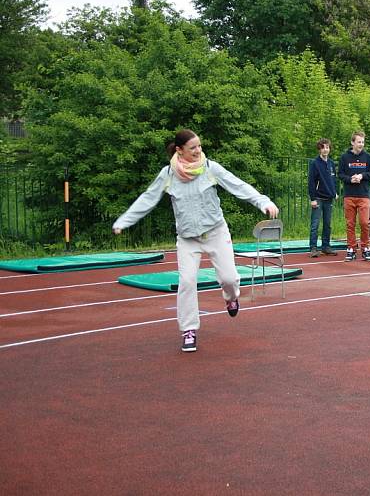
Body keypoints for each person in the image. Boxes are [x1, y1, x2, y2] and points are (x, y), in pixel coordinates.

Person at [112, 129, 279, 353]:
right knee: (187, 282)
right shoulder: (168, 174)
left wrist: (263, 202)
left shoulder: (210, 168)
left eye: (200, 146)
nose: (198, 150)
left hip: (216, 232)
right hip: (188, 239)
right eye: (193, 148)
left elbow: (238, 185)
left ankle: (231, 298)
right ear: (179, 150)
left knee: (229, 279)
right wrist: (124, 221)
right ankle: (188, 330)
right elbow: (148, 198)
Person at [338, 131, 370, 262]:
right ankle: (351, 248)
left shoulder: (367, 157)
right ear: (352, 142)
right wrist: (350, 179)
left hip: (364, 194)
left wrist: (361, 176)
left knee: (365, 222)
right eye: (359, 142)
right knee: (350, 223)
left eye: (363, 142)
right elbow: (340, 174)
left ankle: (366, 247)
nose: (361, 144)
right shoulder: (344, 157)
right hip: (349, 195)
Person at [308, 138, 338, 258]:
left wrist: (334, 192)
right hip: (318, 198)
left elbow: (333, 180)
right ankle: (313, 248)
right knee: (315, 224)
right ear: (319, 149)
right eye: (323, 147)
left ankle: (326, 246)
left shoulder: (331, 163)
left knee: (327, 224)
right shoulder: (315, 163)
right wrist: (313, 198)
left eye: (327, 147)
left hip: (329, 198)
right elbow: (311, 182)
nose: (326, 150)